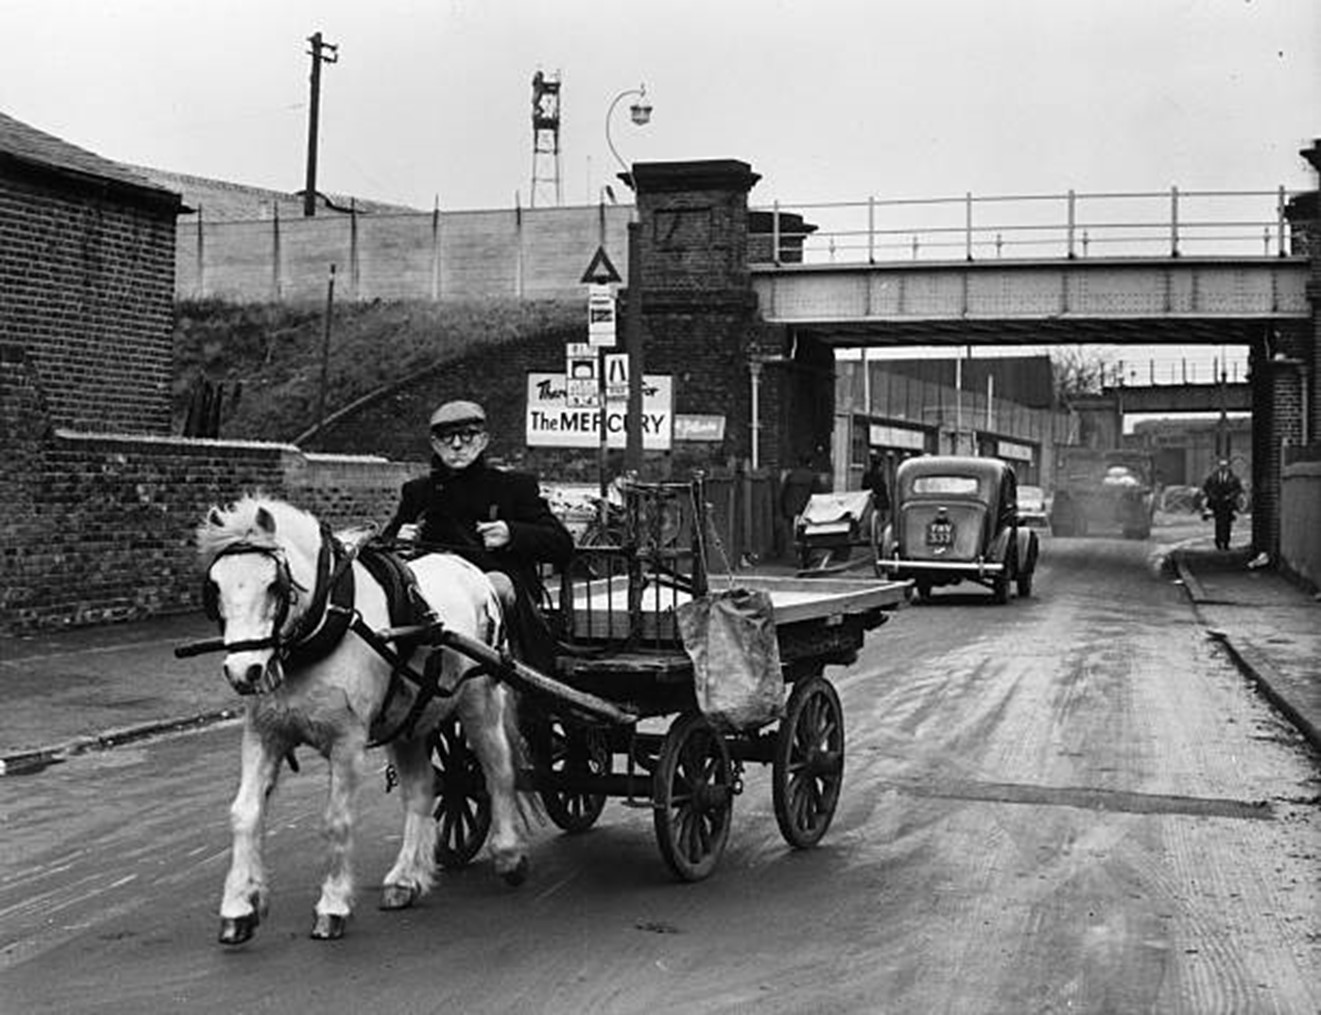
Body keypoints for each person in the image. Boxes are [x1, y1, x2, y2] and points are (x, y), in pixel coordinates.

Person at [382, 399, 574, 669]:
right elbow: (385, 546)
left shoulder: (513, 487)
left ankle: (523, 676)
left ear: (483, 441)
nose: (457, 445)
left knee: (498, 586)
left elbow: (561, 543)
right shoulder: (418, 493)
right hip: (432, 592)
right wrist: (398, 539)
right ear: (435, 445)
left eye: (467, 436)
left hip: (495, 589)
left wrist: (512, 534)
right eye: (447, 438)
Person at [779, 453, 822, 559]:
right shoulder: (813, 477)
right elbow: (817, 495)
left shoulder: (791, 476)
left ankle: (793, 554)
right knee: (806, 534)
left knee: (791, 533)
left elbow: (784, 493)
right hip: (806, 510)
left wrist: (783, 508)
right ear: (810, 463)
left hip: (791, 509)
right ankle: (804, 555)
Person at [1201, 458, 1244, 552]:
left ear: (1228, 466)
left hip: (1228, 504)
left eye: (1225, 466)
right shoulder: (1213, 477)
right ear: (1219, 466)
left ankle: (1226, 542)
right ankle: (1218, 541)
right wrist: (1212, 497)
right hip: (1217, 503)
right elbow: (1206, 488)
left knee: (1227, 524)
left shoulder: (1233, 478)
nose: (1223, 468)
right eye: (1221, 466)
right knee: (1218, 523)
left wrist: (1230, 496)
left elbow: (1238, 489)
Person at [860, 451, 891, 520]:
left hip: (870, 506)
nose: (882, 469)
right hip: (877, 506)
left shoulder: (868, 476)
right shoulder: (878, 478)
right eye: (881, 466)